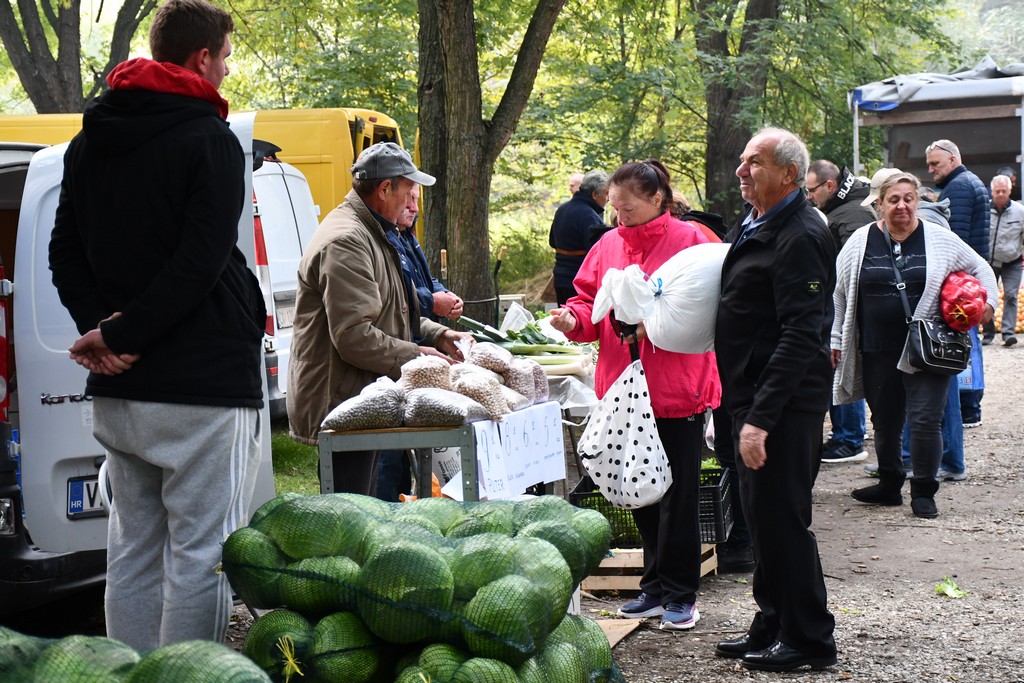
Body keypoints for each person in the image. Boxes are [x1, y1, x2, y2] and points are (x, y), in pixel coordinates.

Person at [48, 0, 264, 651]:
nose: (227, 70)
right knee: (200, 555)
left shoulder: (92, 141)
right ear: (202, 58)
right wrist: (119, 335)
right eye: (225, 57)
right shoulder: (209, 139)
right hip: (198, 387)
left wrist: (106, 333)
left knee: (133, 552)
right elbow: (199, 263)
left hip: (121, 392)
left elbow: (64, 253)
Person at [550, 160, 721, 631]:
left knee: (678, 493)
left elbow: (715, 306)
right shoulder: (607, 244)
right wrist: (572, 319)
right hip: (622, 388)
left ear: (658, 199)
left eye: (628, 207)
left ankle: (682, 594)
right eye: (614, 207)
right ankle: (653, 587)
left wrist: (658, 321)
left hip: (677, 386)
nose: (620, 216)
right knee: (638, 489)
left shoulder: (693, 242)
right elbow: (585, 301)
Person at [713, 128, 837, 672]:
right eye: (742, 161)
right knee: (760, 520)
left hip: (782, 404)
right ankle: (772, 621)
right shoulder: (757, 221)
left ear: (789, 174)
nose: (741, 171)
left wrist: (760, 419)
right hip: (749, 395)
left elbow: (801, 333)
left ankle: (809, 639)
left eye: (754, 162)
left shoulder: (802, 234)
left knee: (784, 521)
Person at [288, 142, 472, 495]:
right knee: (354, 513)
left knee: (373, 508)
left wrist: (436, 335)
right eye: (408, 192)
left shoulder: (374, 231)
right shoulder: (347, 241)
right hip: (342, 400)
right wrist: (416, 356)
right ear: (385, 189)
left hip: (363, 395)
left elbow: (392, 312)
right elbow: (355, 336)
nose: (412, 203)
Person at [832, 171, 997, 519]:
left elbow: (980, 267)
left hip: (927, 347)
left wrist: (986, 307)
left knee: (924, 420)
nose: (902, 206)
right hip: (877, 348)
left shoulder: (938, 239)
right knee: (886, 420)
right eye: (894, 199)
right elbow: (840, 295)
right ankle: (890, 484)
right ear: (880, 204)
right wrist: (835, 339)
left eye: (909, 198)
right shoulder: (859, 242)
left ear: (918, 201)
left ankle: (923, 490)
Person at [375, 185, 465, 501]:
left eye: (417, 200)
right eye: (409, 199)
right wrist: (432, 303)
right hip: (389, 365)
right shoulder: (381, 241)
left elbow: (422, 285)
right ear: (386, 194)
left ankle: (405, 504)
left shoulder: (407, 237)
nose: (414, 207)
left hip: (409, 356)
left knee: (402, 454)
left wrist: (444, 301)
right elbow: (398, 302)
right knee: (386, 460)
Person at [806, 160, 877, 465]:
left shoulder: (853, 213)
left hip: (847, 306)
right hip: (842, 304)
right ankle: (847, 435)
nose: (809, 197)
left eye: (812, 190)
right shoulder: (844, 207)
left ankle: (849, 438)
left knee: (842, 365)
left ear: (830, 186)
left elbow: (856, 265)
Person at [927, 139, 990, 428]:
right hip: (970, 281)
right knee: (970, 341)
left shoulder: (960, 187)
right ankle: (970, 405)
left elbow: (956, 240)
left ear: (953, 159)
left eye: (935, 164)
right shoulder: (968, 182)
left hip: (962, 284)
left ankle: (968, 407)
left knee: (965, 342)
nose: (931, 170)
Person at [548, 170, 609, 305]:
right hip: (579, 281)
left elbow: (552, 242)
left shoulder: (562, 209)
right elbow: (595, 253)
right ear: (594, 195)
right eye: (606, 194)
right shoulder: (590, 216)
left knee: (563, 322)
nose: (608, 199)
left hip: (560, 277)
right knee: (578, 323)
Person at [981, 174, 1024, 346]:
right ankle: (989, 333)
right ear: (991, 191)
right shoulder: (984, 210)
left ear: (1009, 191)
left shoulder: (1020, 211)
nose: (1000, 194)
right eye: (997, 191)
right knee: (986, 297)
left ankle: (1007, 334)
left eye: (1003, 191)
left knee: (1011, 296)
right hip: (989, 262)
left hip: (1012, 261)